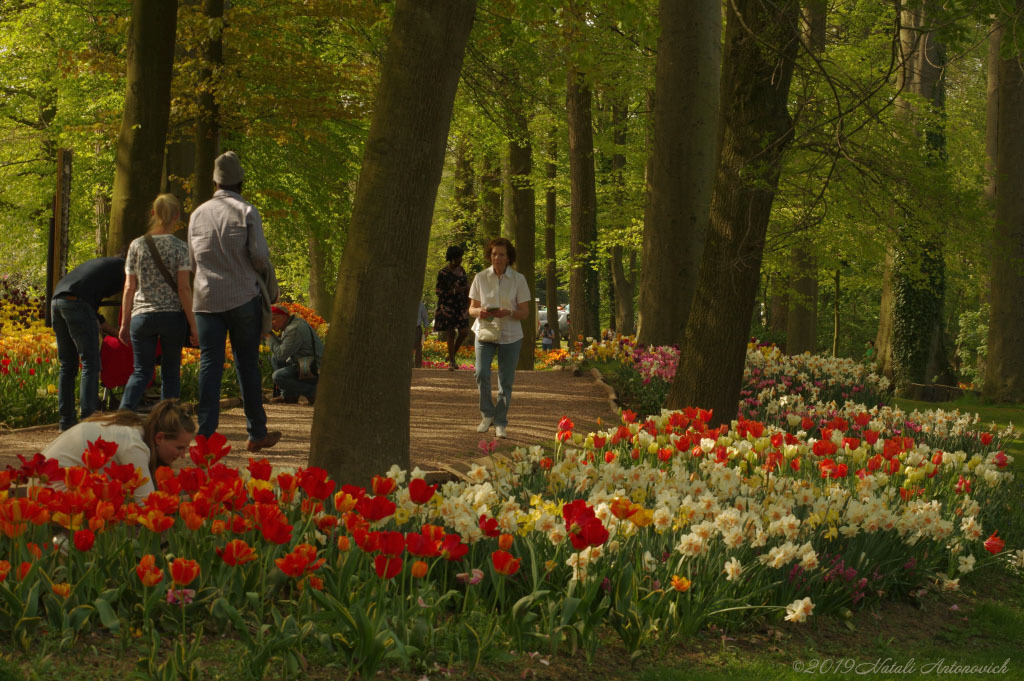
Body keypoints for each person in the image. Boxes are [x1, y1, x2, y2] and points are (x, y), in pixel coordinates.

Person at [188, 151, 281, 452]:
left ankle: (205, 435)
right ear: (240, 181)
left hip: (206, 299)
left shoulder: (197, 214)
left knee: (210, 366)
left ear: (214, 181)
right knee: (247, 365)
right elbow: (259, 257)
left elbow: (191, 260)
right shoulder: (246, 211)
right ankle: (256, 432)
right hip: (242, 296)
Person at [118, 194, 199, 412]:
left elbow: (129, 287)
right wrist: (193, 324)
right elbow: (183, 289)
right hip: (172, 317)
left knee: (141, 371)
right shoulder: (180, 248)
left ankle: (123, 415)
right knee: (170, 372)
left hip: (142, 317)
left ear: (153, 213)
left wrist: (125, 323)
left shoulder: (136, 246)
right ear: (177, 216)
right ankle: (168, 422)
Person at [42, 399, 194, 503]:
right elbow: (146, 505)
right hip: (52, 495)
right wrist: (197, 499)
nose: (182, 455)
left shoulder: (132, 427)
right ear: (159, 438)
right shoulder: (135, 446)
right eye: (179, 447)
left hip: (43, 485)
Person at [51, 255, 126, 431]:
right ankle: (88, 420)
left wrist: (116, 333)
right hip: (77, 303)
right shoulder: (126, 267)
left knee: (67, 365)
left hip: (57, 301)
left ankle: (66, 421)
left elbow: (91, 306)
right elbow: (132, 292)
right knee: (91, 363)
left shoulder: (103, 265)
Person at [468, 237, 531, 439]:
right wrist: (480, 311)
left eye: (501, 254)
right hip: (485, 332)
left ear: (508, 257)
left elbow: (525, 312)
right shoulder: (480, 277)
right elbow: (471, 308)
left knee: (506, 380)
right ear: (490, 255)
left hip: (511, 335)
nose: (497, 258)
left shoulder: (518, 279)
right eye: (494, 254)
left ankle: (501, 422)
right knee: (481, 373)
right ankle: (487, 414)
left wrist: (509, 312)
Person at [267, 305, 323, 405]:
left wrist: (268, 336)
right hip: (303, 362)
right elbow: (281, 350)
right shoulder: (291, 325)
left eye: (273, 319)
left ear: (283, 317)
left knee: (278, 376)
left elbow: (281, 354)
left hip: (312, 368)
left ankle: (314, 392)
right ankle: (289, 396)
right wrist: (270, 334)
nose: (271, 323)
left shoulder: (294, 329)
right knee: (274, 359)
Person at [433, 245, 470, 371]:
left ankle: (451, 354)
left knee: (464, 332)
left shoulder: (462, 271)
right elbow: (438, 291)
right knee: (451, 333)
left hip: (461, 305)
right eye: (457, 258)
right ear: (451, 258)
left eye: (461, 257)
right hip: (448, 306)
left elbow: (466, 286)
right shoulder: (443, 273)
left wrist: (467, 295)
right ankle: (452, 362)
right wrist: (454, 291)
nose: (460, 260)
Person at [414, 300, 430, 368]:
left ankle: (418, 366)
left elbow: (425, 317)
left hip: (417, 328)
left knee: (418, 347)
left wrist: (426, 329)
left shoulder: (421, 305)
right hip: (407, 328)